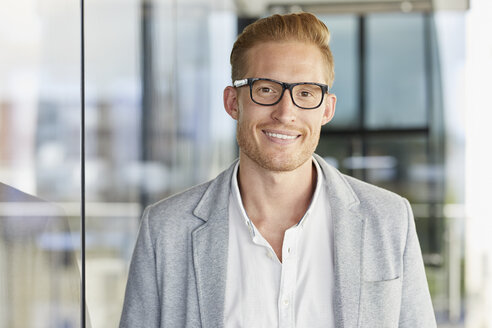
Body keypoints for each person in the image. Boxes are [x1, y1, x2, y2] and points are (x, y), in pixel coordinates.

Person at [120, 12, 436, 328]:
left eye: (306, 93)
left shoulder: (390, 219)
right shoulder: (165, 231)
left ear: (327, 109)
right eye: (267, 89)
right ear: (233, 102)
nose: (285, 113)